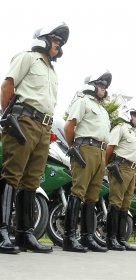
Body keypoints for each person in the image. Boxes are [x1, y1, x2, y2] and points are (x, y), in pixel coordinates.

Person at [0, 22, 69, 254]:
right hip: (24, 121)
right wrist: (8, 117)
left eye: (59, 41)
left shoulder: (52, 71)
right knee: (12, 174)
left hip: (43, 128)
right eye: (55, 39)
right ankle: (1, 231)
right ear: (42, 39)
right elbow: (8, 86)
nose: (58, 44)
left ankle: (24, 234)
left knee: (31, 182)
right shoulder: (28, 57)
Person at [62, 71, 112, 253]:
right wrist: (73, 147)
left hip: (99, 152)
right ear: (91, 85)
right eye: (100, 85)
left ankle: (88, 237)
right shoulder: (82, 101)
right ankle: (69, 238)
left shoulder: (103, 110)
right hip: (85, 148)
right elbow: (69, 126)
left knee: (92, 196)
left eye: (105, 86)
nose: (104, 88)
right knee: (78, 192)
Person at [105, 108, 136, 251]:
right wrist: (105, 166)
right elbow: (110, 148)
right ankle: (111, 239)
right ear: (128, 115)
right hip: (121, 167)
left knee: (125, 204)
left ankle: (121, 239)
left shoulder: (134, 133)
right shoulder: (120, 128)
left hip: (132, 171)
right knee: (116, 202)